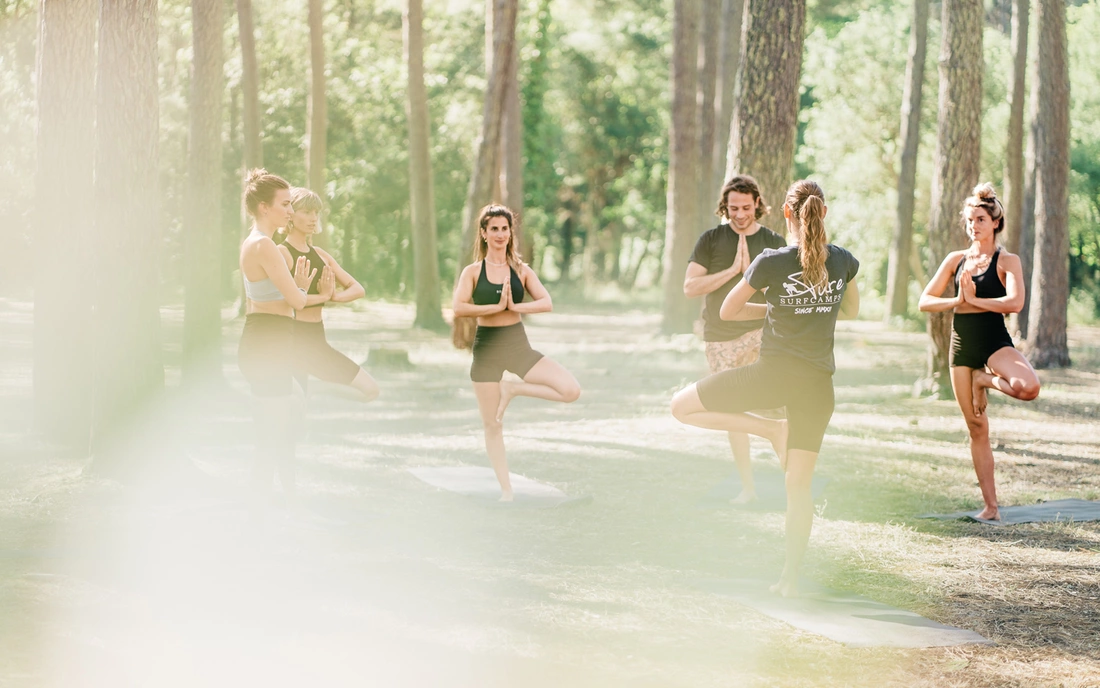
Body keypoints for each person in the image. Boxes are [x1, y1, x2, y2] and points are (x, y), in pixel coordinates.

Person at [671, 180, 860, 597]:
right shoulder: (844, 260)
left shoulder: (772, 262)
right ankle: (789, 580)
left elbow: (728, 311)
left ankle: (771, 429)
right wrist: (810, 307)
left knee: (681, 407)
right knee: (799, 490)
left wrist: (777, 305)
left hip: (771, 378)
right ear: (823, 213)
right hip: (818, 389)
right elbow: (850, 310)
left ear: (787, 214)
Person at [919, 183, 1040, 521]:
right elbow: (925, 301)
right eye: (970, 220)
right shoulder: (955, 260)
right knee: (976, 427)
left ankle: (983, 380)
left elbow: (1015, 302)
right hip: (962, 345)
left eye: (981, 219)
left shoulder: (1007, 261)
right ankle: (991, 507)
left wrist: (975, 301)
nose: (974, 225)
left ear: (995, 223)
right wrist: (958, 301)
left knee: (1029, 387)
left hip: (994, 341)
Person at [452, 205, 581, 501]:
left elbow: (546, 302)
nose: (500, 234)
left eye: (505, 229)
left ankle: (513, 388)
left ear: (511, 233)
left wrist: (514, 307)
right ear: (484, 233)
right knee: (492, 425)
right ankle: (506, 491)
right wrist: (495, 308)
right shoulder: (473, 272)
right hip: (487, 350)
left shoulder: (521, 270)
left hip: (517, 345)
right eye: (494, 229)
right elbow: (459, 308)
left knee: (571, 390)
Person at [684, 175, 787, 504]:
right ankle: (748, 488)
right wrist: (733, 271)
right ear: (724, 207)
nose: (740, 214)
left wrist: (752, 276)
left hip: (763, 332)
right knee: (731, 408)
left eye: (745, 207)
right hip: (720, 338)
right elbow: (690, 287)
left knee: (786, 403)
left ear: (757, 204)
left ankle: (793, 483)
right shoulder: (711, 239)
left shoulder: (773, 241)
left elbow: (786, 293)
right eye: (733, 209)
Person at [238, 169, 332, 506]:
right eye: (285, 204)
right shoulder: (265, 245)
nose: (290, 211)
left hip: (268, 342)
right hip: (268, 345)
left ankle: (274, 501)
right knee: (270, 438)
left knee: (284, 421)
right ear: (264, 207)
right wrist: (305, 288)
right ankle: (258, 512)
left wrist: (301, 290)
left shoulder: (254, 241)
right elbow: (296, 300)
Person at [277, 187, 379, 401]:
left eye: (316, 212)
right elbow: (287, 300)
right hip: (293, 337)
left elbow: (357, 289)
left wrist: (333, 296)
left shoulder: (321, 255)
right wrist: (323, 297)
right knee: (294, 408)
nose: (313, 218)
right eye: (306, 212)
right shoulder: (282, 253)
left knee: (371, 390)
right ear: (290, 215)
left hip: (317, 338)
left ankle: (317, 392)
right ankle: (307, 398)